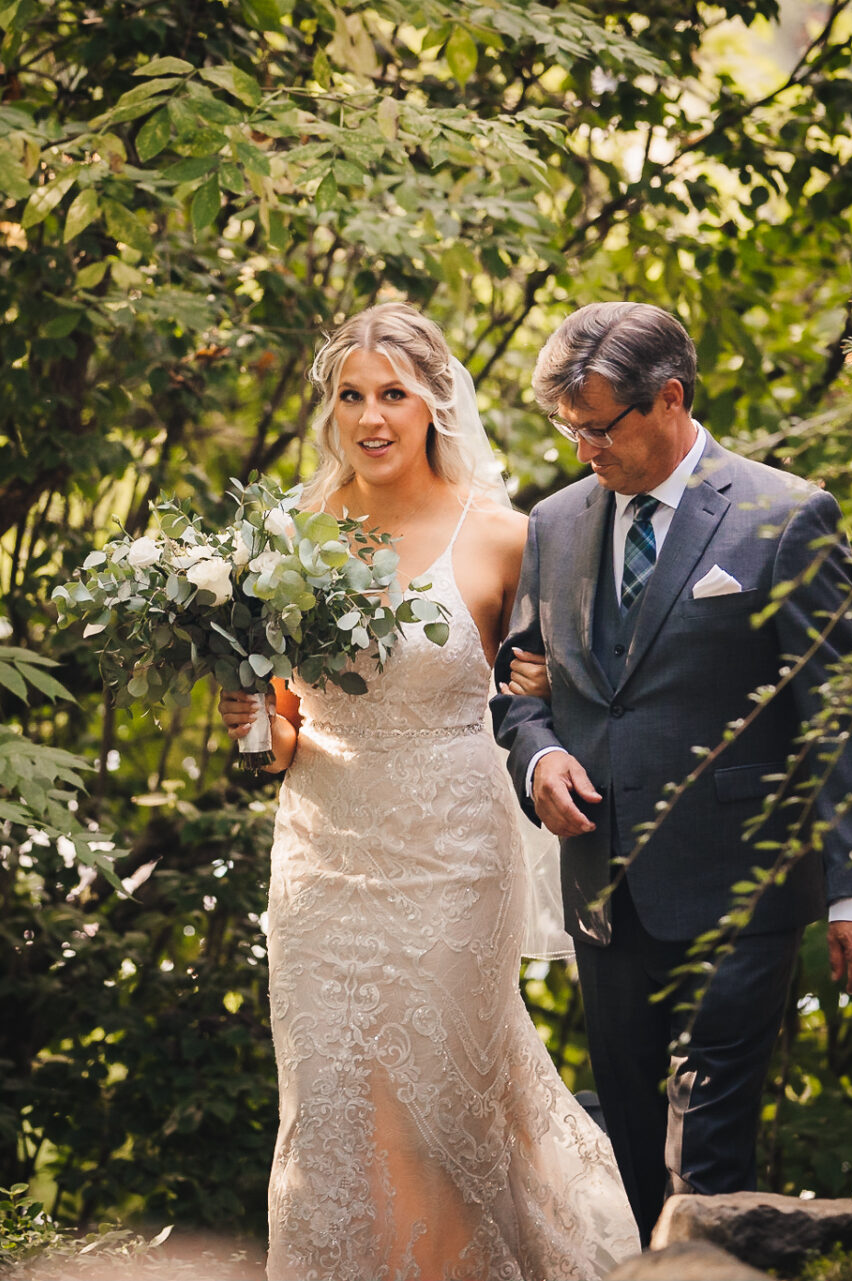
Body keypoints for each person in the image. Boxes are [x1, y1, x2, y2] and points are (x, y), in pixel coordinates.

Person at [218, 302, 641, 1280]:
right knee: (328, 1110)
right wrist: (251, 720)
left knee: (443, 1113)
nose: (371, 417)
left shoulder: (504, 536)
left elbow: (554, 703)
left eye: (393, 395)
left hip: (456, 860)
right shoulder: (288, 536)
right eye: (351, 395)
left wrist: (544, 690)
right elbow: (273, 742)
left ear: (434, 404)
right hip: (323, 862)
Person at [490, 302, 852, 1242]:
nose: (584, 446)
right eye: (570, 427)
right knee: (631, 1139)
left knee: (709, 1151)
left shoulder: (784, 516)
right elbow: (520, 690)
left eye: (599, 424)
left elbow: (840, 716)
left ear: (668, 398)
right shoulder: (552, 524)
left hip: (738, 881)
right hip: (605, 883)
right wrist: (540, 754)